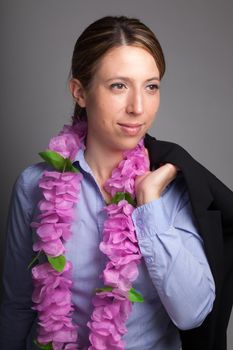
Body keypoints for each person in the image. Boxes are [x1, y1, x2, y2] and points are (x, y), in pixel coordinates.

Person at [1, 15, 232, 350]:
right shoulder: (33, 185)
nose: (138, 107)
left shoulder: (174, 186)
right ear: (80, 92)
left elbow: (193, 314)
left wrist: (150, 203)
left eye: (151, 86)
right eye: (119, 86)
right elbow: (18, 305)